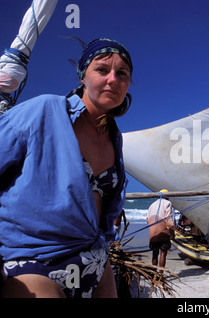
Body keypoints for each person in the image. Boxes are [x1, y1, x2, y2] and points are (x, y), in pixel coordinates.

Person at [0, 38, 132, 298]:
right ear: (83, 75)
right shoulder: (44, 111)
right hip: (36, 260)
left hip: (95, 263)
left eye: (122, 73)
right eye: (102, 70)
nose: (113, 79)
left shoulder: (115, 138)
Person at [147, 190, 175, 268]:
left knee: (155, 253)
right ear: (166, 197)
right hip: (163, 232)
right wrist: (172, 233)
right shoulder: (167, 203)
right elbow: (169, 220)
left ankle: (154, 273)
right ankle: (160, 275)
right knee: (163, 253)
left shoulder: (152, 205)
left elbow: (147, 219)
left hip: (153, 234)